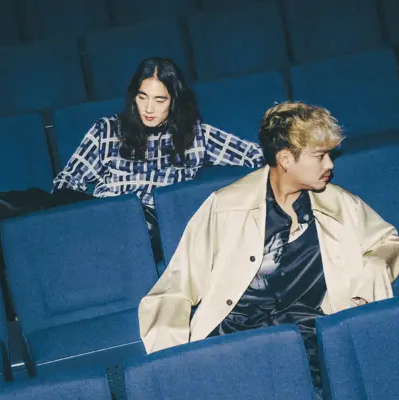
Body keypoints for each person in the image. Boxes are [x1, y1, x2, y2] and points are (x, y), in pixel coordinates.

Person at [138, 101, 399, 395]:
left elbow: (387, 242)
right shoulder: (226, 207)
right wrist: (171, 363)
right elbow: (176, 287)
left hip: (306, 336)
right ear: (286, 159)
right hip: (236, 341)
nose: (330, 165)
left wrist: (371, 272)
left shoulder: (338, 203)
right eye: (320, 156)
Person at [53, 57, 264, 262]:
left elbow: (255, 155)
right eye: (142, 97)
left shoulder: (194, 135)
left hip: (152, 229)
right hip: (104, 215)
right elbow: (67, 180)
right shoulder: (107, 130)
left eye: (159, 99)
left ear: (174, 101)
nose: (149, 108)